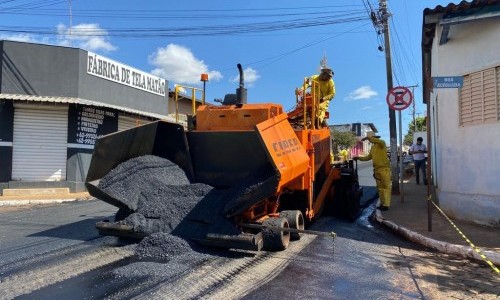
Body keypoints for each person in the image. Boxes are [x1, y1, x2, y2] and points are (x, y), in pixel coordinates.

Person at [353, 132, 391, 211]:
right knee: (380, 188)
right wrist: (358, 158)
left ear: (374, 137)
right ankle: (383, 203)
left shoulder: (382, 143)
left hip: (384, 169)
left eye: (370, 139)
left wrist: (367, 138)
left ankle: (386, 204)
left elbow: (377, 141)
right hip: (377, 169)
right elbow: (368, 157)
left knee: (386, 187)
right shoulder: (373, 148)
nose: (370, 141)